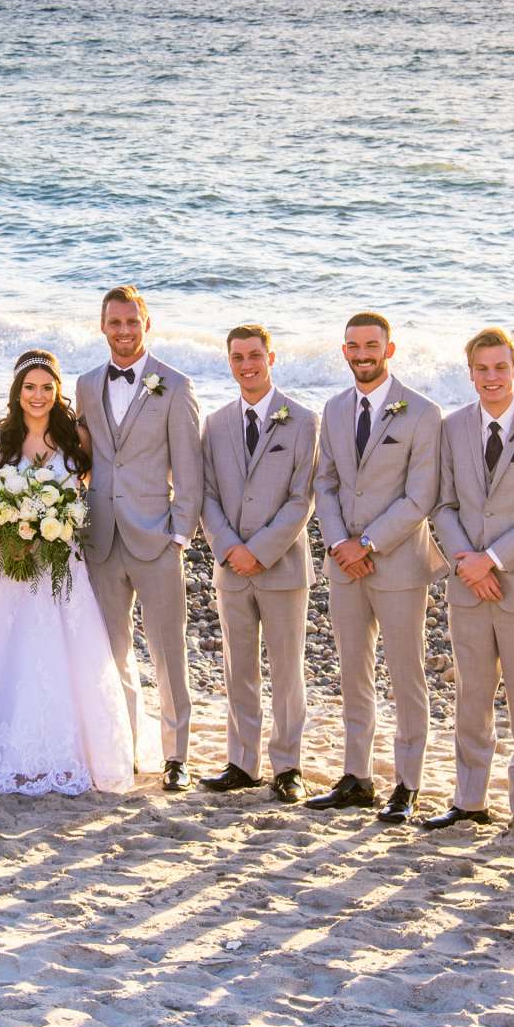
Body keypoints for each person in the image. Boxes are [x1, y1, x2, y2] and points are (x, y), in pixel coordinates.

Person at [0, 349, 134, 795]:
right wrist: (6, 531)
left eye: (46, 387)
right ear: (16, 392)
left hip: (61, 566)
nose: (37, 396)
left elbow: (94, 491)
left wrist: (63, 525)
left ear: (57, 391)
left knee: (65, 655)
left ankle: (68, 750)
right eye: (29, 388)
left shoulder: (77, 438)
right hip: (8, 564)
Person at [424, 328, 514, 839]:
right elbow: (442, 504)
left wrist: (492, 560)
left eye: (500, 368)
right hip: (467, 584)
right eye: (482, 369)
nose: (491, 378)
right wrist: (467, 562)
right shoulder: (452, 427)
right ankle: (469, 801)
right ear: (470, 373)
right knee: (472, 695)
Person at [307, 311, 444, 825]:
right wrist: (339, 541)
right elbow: (326, 482)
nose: (362, 353)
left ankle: (408, 784)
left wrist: (367, 543)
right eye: (353, 345)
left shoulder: (423, 412)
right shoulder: (335, 408)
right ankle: (356, 776)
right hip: (345, 563)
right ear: (344, 350)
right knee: (353, 671)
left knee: (407, 674)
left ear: (390, 349)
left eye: (371, 345)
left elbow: (420, 495)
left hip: (400, 563)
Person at [74, 286, 204, 792]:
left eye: (132, 322)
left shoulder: (176, 385)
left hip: (156, 538)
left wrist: (179, 534)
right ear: (102, 326)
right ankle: (122, 745)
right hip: (101, 538)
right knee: (112, 650)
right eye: (115, 323)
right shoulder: (86, 385)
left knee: (169, 650)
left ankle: (176, 756)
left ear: (147, 325)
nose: (124, 331)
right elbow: (82, 456)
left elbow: (189, 471)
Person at [194, 324, 317, 802]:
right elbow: (206, 493)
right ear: (229, 362)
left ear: (271, 357)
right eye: (238, 357)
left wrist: (259, 550)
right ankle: (242, 762)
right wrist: (228, 547)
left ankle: (288, 765)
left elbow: (300, 499)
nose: (247, 365)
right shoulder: (216, 422)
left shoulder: (303, 421)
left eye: (255, 356)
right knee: (237, 667)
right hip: (231, 567)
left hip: (282, 567)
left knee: (288, 670)